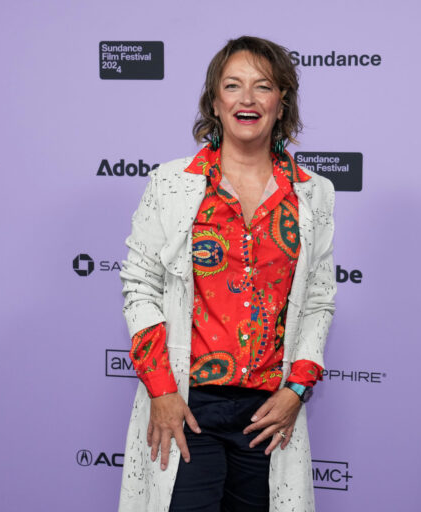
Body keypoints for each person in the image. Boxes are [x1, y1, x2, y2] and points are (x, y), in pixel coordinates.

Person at [118, 35, 336, 512]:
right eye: (233, 86)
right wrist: (162, 390)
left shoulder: (313, 194)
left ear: (282, 103)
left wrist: (296, 390)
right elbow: (140, 286)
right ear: (214, 103)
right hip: (188, 406)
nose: (248, 99)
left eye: (263, 86)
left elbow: (319, 299)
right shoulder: (173, 184)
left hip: (267, 414)